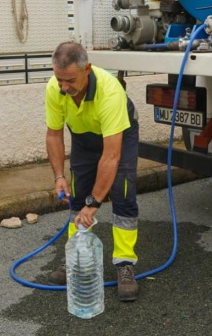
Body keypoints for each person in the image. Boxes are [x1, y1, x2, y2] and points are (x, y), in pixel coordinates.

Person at [44, 41, 141, 301]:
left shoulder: (109, 92)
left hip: (119, 134)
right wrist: (59, 176)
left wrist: (95, 202)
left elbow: (111, 155)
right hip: (83, 136)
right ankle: (77, 258)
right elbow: (54, 135)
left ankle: (124, 264)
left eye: (70, 81)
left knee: (122, 191)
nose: (64, 87)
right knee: (77, 195)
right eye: (59, 79)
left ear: (87, 69)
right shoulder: (55, 88)